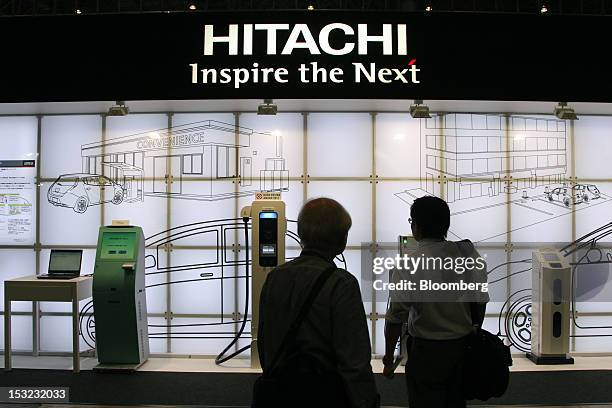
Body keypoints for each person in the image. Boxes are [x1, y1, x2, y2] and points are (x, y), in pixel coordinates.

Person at [256, 197, 379, 408]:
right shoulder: (342, 283)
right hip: (324, 394)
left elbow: (265, 342)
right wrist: (366, 400)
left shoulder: (275, 277)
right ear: (341, 240)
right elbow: (354, 359)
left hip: (279, 393)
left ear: (302, 235)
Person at [383, 195, 488, 408]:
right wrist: (475, 328)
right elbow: (480, 300)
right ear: (446, 225)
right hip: (461, 348)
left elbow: (396, 317)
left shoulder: (408, 264)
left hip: (425, 352)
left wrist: (388, 357)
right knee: (456, 402)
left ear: (417, 227)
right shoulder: (469, 256)